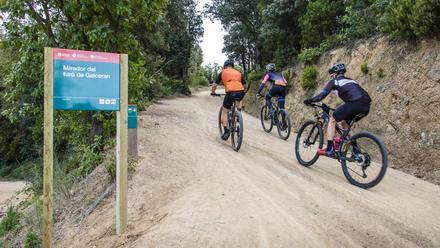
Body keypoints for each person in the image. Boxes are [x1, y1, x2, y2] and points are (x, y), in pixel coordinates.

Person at [304, 63, 371, 157]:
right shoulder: (351, 80)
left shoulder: (334, 81)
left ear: (334, 74)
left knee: (332, 119)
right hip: (366, 106)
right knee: (344, 124)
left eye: (331, 74)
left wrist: (309, 100)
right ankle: (356, 151)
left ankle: (330, 149)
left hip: (354, 104)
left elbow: (321, 96)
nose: (331, 76)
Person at [211, 59, 246, 140]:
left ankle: (226, 131)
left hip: (230, 93)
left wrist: (213, 92)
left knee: (225, 111)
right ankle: (238, 113)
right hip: (240, 92)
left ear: (225, 66)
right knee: (240, 98)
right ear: (233, 66)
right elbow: (245, 85)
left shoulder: (223, 72)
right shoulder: (238, 73)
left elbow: (214, 85)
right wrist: (243, 91)